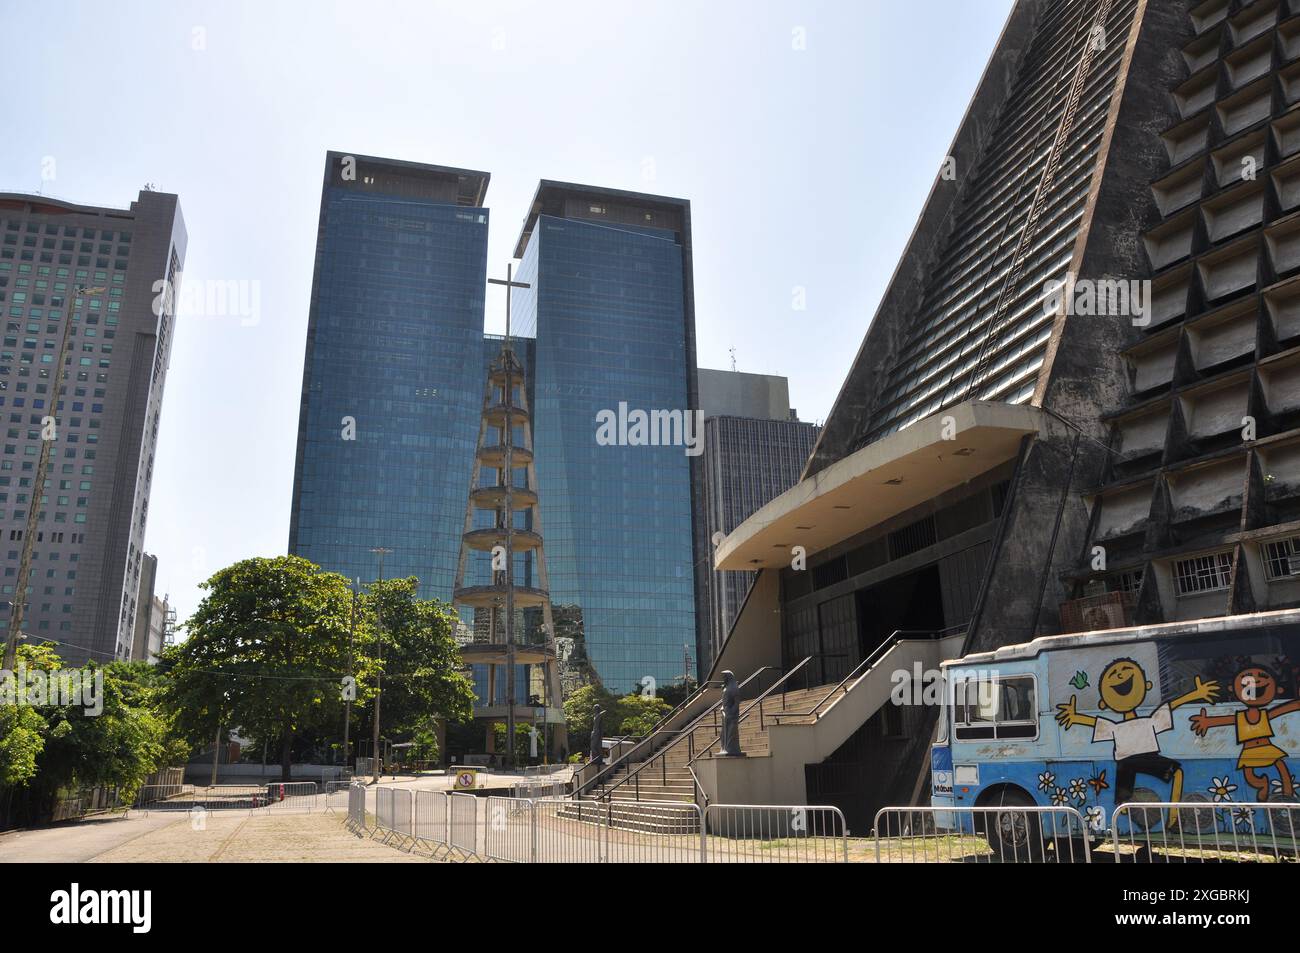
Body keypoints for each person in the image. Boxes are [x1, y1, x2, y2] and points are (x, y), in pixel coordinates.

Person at [1057, 657, 1218, 825]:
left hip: (1146, 758)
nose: (1119, 675)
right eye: (1113, 673)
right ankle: (1125, 819)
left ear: (1148, 685)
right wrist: (1075, 717)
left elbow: (1171, 705)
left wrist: (1195, 694)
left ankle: (1172, 816)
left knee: (1175, 773)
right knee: (1126, 779)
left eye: (1125, 669)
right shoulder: (1115, 727)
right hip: (1127, 762)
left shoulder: (1149, 720)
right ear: (1103, 703)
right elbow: (1092, 722)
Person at [1190, 664, 1300, 801]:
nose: (1255, 682)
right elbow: (1225, 720)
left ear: (1279, 689)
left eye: (1263, 677)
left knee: (1280, 764)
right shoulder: (1241, 716)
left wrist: (1296, 703)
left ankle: (1287, 791)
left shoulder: (1264, 714)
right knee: (1250, 775)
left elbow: (1283, 709)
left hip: (1267, 748)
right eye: (1246, 679)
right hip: (1249, 750)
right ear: (1232, 689)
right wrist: (1207, 722)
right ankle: (1262, 784)